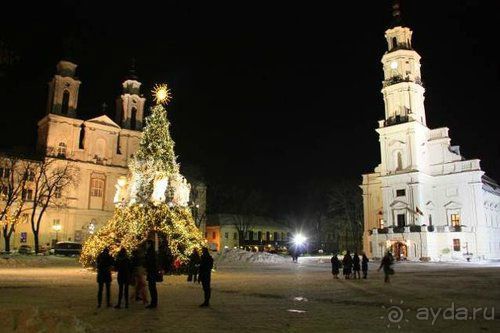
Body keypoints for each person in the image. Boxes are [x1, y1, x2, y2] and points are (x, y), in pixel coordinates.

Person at [145, 239, 158, 309]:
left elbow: (149, 262)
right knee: (152, 287)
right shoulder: (152, 251)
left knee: (152, 287)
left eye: (147, 244)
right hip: (152, 271)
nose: (146, 245)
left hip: (151, 272)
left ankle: (153, 303)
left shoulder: (150, 252)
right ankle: (154, 302)